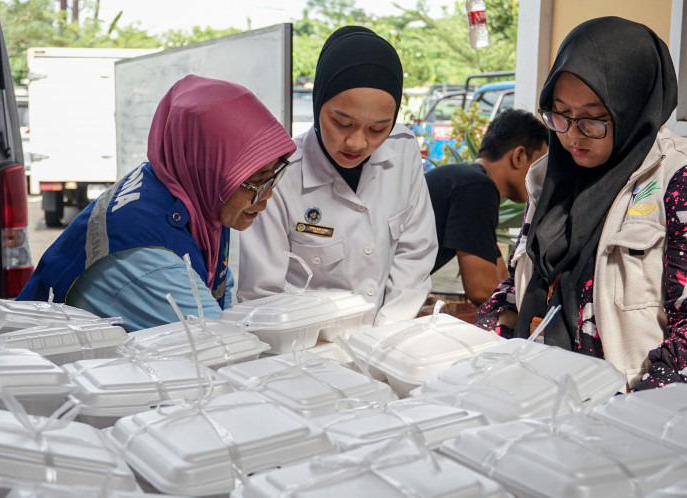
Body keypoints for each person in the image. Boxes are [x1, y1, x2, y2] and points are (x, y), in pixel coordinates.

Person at [474, 16, 687, 391]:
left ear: (633, 106)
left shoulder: (674, 181)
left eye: (592, 119)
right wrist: (481, 346)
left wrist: (629, 412)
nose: (573, 135)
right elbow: (517, 282)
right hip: (539, 395)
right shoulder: (548, 179)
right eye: (560, 113)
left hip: (627, 417)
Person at [17, 75, 296, 331]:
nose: (267, 195)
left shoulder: (197, 196)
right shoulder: (149, 255)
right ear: (206, 166)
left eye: (273, 176)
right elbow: (220, 348)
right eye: (256, 181)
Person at [237, 26, 438, 326]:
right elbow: (261, 293)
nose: (357, 143)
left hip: (382, 341)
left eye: (377, 129)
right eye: (342, 123)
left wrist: (385, 334)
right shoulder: (281, 173)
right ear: (318, 104)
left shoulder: (403, 151)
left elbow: (415, 251)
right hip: (304, 349)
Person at [425, 109, 548, 307]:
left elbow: (500, 277)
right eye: (540, 169)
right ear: (519, 156)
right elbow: (481, 290)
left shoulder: (467, 181)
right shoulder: (476, 188)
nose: (543, 182)